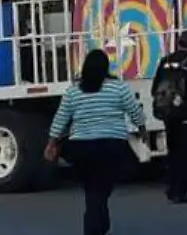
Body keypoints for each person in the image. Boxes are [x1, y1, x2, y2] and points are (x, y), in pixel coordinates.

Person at [48, 49, 145, 235]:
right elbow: (135, 112)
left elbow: (61, 119)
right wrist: (142, 129)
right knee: (100, 190)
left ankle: (99, 223)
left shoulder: (73, 92)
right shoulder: (119, 88)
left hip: (81, 148)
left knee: (92, 189)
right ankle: (94, 228)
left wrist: (51, 143)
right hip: (111, 147)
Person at [152, 30, 187, 204]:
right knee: (185, 154)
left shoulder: (165, 62)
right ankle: (181, 191)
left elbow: (155, 88)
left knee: (173, 150)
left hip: (169, 115)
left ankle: (171, 187)